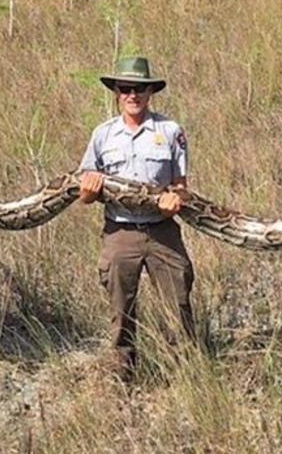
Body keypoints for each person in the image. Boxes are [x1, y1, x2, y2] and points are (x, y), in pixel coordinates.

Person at [79, 56, 195, 382]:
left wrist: (177, 198)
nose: (133, 95)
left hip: (162, 231)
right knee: (121, 310)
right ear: (117, 92)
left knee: (179, 305)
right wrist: (89, 189)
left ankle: (186, 377)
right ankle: (123, 378)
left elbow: (183, 188)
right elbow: (85, 195)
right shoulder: (103, 135)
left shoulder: (171, 131)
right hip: (120, 231)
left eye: (140, 88)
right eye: (126, 88)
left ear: (150, 92)